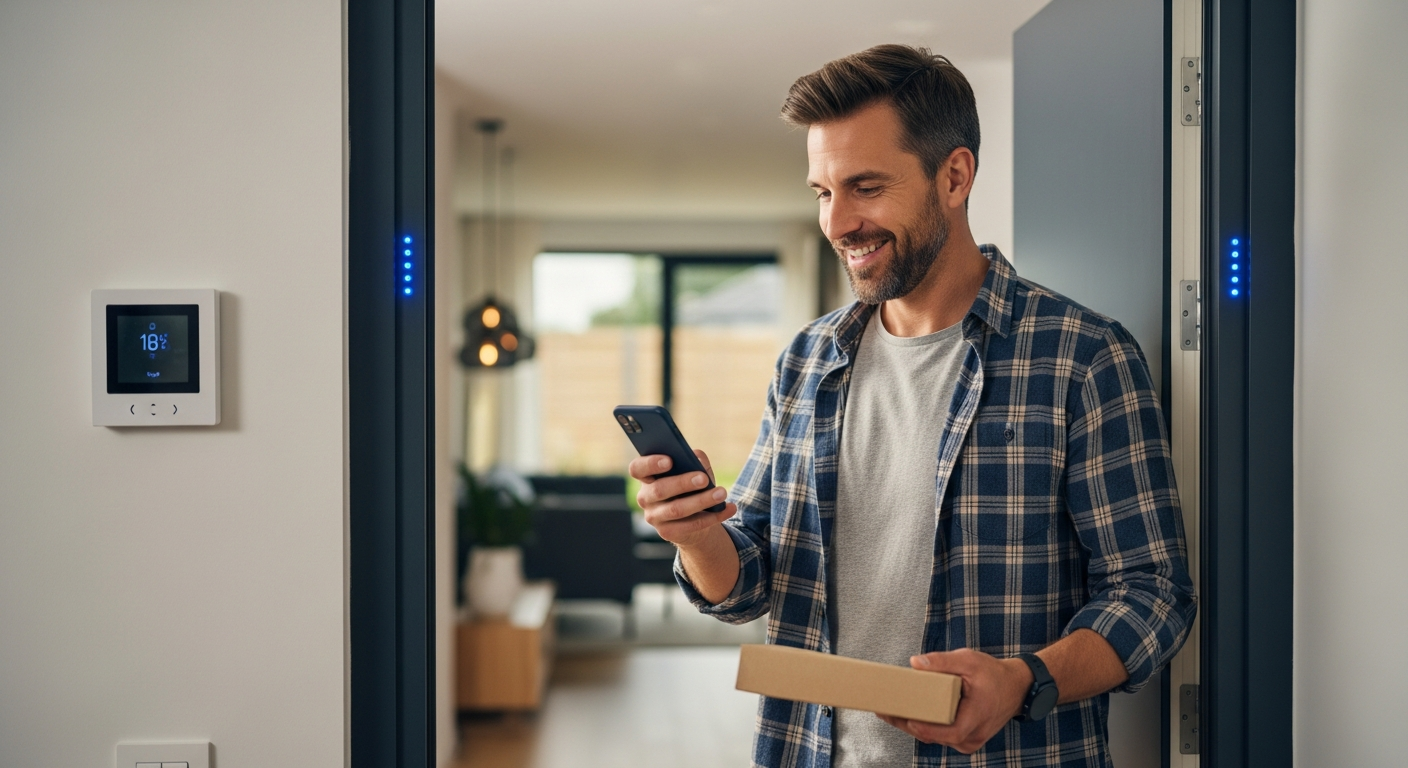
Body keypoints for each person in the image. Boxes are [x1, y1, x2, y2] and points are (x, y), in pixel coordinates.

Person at [629, 44, 1195, 768]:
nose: (838, 223)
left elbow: (1154, 594)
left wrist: (1025, 680)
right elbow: (753, 581)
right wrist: (697, 534)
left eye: (865, 186)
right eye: (822, 192)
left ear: (954, 176)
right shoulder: (807, 362)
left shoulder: (1081, 357)